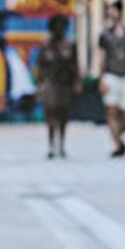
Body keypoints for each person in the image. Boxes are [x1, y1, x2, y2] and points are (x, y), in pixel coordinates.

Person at [96, 0, 125, 157]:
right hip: (111, 74)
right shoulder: (104, 34)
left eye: (112, 11)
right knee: (111, 110)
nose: (110, 14)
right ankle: (117, 145)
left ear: (120, 12)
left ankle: (119, 136)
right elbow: (101, 57)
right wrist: (101, 78)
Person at [35, 14, 81, 159]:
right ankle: (51, 144)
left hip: (65, 83)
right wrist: (40, 84)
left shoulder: (70, 46)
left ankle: (61, 143)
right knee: (51, 113)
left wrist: (77, 81)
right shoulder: (45, 47)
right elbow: (40, 67)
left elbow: (75, 65)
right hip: (50, 82)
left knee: (63, 113)